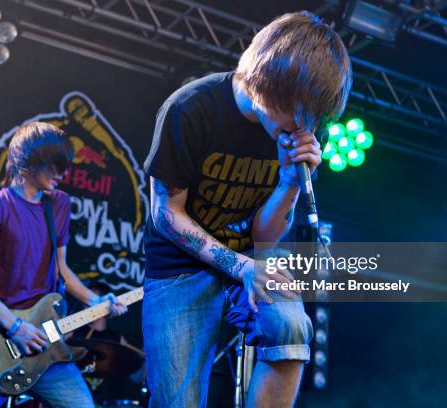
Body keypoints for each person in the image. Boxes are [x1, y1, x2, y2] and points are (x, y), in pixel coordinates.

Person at [142, 11, 351, 408]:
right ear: (272, 85)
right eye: (301, 109)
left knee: (290, 326)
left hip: (251, 257)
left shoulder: (299, 131)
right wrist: (241, 268)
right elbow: (166, 214)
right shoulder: (191, 108)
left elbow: (266, 236)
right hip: (179, 268)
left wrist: (289, 185)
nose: (307, 125)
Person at [0, 122, 128, 408]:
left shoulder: (58, 204)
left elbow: (62, 270)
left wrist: (96, 301)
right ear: (29, 161)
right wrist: (15, 327)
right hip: (0, 338)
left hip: (47, 341)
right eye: (55, 164)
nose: (63, 173)